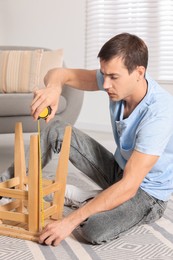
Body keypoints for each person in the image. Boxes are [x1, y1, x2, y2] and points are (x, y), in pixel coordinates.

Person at [1, 33, 173, 246]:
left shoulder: (159, 113)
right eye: (103, 75)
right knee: (56, 129)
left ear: (139, 72)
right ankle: (6, 187)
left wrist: (70, 221)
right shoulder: (115, 81)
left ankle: (84, 198)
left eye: (113, 77)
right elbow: (59, 73)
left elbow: (130, 185)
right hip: (120, 171)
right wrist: (54, 89)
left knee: (93, 229)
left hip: (146, 193)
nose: (106, 84)